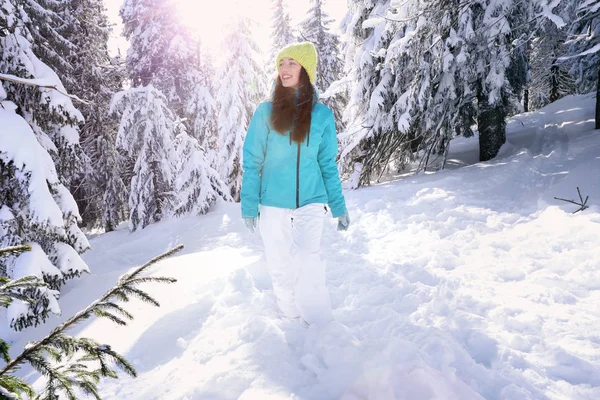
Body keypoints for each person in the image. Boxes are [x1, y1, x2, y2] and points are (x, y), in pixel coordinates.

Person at [240, 42, 350, 326]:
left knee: (308, 262)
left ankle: (318, 322)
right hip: (273, 203)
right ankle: (290, 317)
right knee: (279, 265)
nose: (284, 69)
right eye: (281, 64)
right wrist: (249, 205)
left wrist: (338, 206)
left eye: (292, 63)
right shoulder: (265, 112)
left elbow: (327, 164)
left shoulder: (323, 115)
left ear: (306, 69)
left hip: (312, 202)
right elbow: (252, 162)